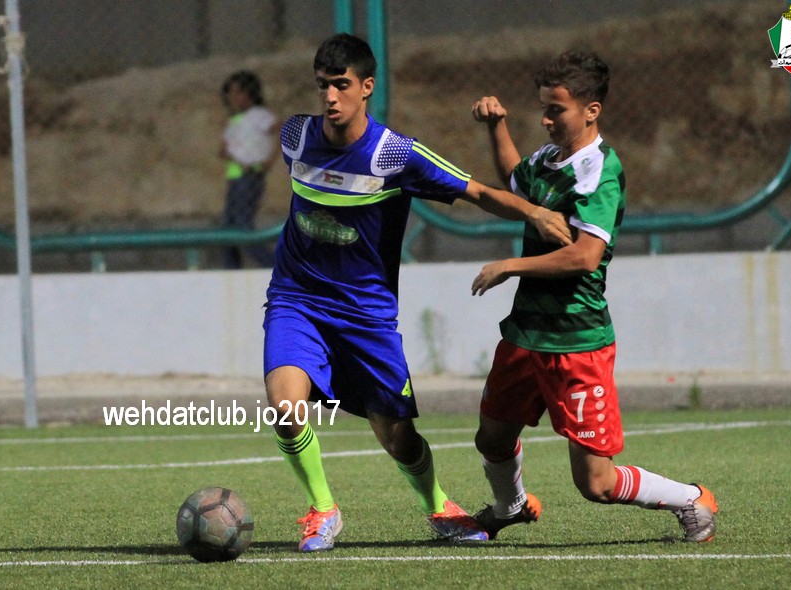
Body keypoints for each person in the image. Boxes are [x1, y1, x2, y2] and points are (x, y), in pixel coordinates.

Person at [263, 33, 572, 552]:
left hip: (366, 314)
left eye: (341, 85)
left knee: (397, 436)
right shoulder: (295, 136)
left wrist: (535, 212)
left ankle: (439, 506)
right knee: (285, 407)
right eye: (322, 86)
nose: (330, 97)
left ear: (367, 86)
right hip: (297, 300)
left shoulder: (394, 154)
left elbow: (476, 191)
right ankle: (322, 510)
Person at [468, 50, 717, 543]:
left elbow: (584, 256)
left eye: (555, 109)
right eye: (543, 107)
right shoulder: (549, 158)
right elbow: (516, 181)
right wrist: (496, 127)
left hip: (576, 342)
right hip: (525, 333)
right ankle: (510, 506)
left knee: (596, 484)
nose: (545, 119)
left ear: (591, 111)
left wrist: (509, 266)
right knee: (492, 437)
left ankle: (692, 498)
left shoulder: (599, 171)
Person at [219, 70, 277, 269]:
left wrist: (269, 160)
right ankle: (231, 270)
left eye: (237, 92)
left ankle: (273, 265)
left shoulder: (259, 116)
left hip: (250, 175)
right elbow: (223, 150)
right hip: (236, 176)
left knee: (242, 226)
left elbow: (281, 130)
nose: (232, 98)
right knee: (227, 226)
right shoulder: (236, 120)